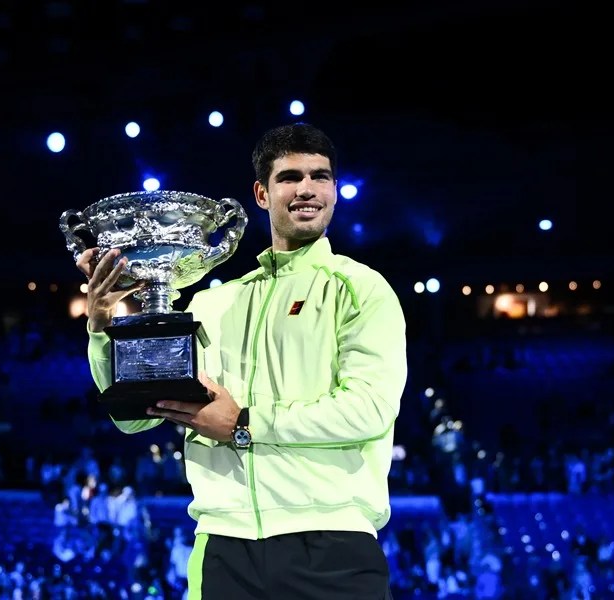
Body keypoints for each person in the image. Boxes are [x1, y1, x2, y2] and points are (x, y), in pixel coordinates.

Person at [76, 122, 408, 599]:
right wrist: (103, 325)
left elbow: (368, 409)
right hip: (222, 547)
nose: (307, 189)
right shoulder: (212, 304)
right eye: (290, 177)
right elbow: (136, 420)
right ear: (261, 193)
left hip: (331, 541)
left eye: (321, 176)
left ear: (335, 191)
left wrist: (244, 423)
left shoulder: (361, 288)